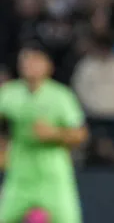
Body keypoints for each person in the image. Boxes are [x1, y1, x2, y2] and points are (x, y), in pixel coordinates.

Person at [0, 41, 88, 223]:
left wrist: (55, 133)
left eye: (35, 60)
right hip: (20, 175)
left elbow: (81, 134)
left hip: (54, 176)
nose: (29, 65)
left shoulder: (61, 96)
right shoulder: (9, 93)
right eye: (25, 60)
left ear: (48, 65)